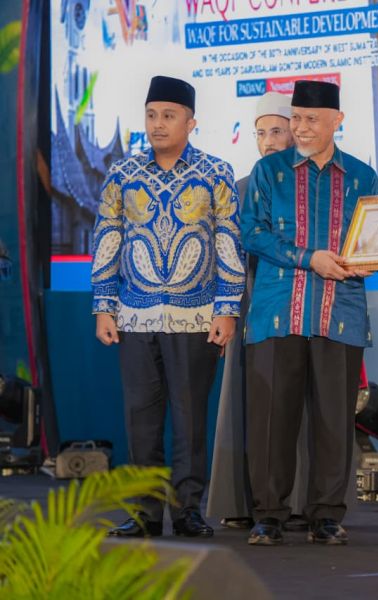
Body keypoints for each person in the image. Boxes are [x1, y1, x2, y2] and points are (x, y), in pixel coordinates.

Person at [94, 75, 245, 538]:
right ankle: (143, 512)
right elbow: (107, 238)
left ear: (190, 122)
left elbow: (228, 242)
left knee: (189, 417)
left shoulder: (215, 172)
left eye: (169, 116)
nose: (158, 124)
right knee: (141, 417)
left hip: (196, 315)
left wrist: (227, 308)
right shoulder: (122, 173)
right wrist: (104, 305)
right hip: (134, 314)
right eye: (152, 115)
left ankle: (187, 511)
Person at [241, 80, 378, 546]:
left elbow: (375, 244)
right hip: (278, 311)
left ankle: (326, 515)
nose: (299, 127)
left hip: (340, 312)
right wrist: (308, 257)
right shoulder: (269, 171)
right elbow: (251, 233)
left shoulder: (362, 177)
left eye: (310, 120)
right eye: (295, 118)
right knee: (271, 420)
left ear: (337, 122)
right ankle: (269, 514)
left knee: (334, 421)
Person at [207, 91, 307, 532]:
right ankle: (243, 501)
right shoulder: (241, 189)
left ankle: (302, 502)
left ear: (294, 133)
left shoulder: (312, 184)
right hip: (252, 308)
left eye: (277, 131)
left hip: (303, 309)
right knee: (248, 403)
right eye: (262, 132)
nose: (268, 141)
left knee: (301, 406)